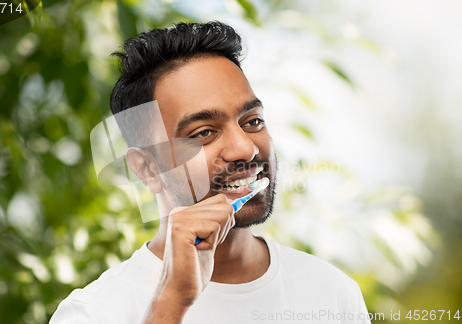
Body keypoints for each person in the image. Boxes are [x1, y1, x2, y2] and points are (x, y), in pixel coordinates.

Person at [50, 21, 371, 324]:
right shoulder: (95, 313)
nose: (244, 149)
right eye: (204, 132)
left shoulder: (332, 292)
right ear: (147, 169)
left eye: (253, 121)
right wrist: (171, 302)